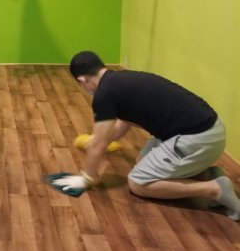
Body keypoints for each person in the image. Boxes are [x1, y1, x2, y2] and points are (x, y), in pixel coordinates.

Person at [53, 50, 240, 220]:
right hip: (211, 129)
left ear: (82, 79)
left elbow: (99, 145)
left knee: (138, 183)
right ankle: (208, 175)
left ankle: (213, 189)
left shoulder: (104, 95)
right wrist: (98, 141)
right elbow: (119, 127)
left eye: (81, 85)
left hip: (198, 138)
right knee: (143, 161)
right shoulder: (122, 79)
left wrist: (87, 177)